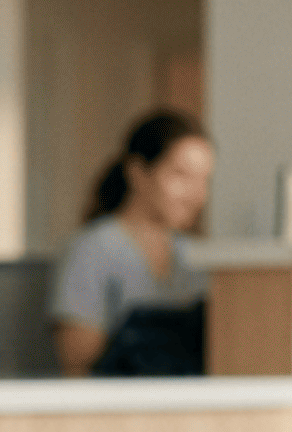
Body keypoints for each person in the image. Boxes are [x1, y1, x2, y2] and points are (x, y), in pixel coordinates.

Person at [50, 109, 213, 376]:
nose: (197, 196)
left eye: (203, 180)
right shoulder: (92, 250)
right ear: (137, 173)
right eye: (181, 176)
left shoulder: (194, 256)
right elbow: (78, 367)